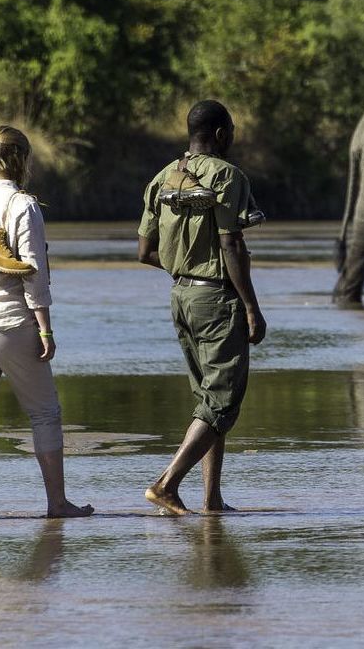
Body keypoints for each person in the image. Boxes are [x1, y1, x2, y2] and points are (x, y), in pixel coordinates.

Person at [0, 125, 92, 520]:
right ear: (22, 160)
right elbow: (33, 273)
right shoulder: (22, 205)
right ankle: (57, 503)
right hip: (8, 323)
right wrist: (44, 327)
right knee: (45, 413)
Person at [138, 99, 267, 516]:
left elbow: (145, 251)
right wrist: (250, 306)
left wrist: (183, 268)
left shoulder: (161, 178)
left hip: (181, 297)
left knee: (208, 401)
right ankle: (167, 484)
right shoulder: (229, 176)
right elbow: (231, 243)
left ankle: (211, 499)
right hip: (216, 299)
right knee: (222, 402)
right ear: (221, 134)